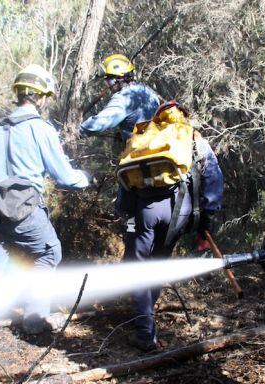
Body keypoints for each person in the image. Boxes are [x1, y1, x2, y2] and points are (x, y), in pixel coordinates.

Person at [0, 64, 92, 360]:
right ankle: (34, 319)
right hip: (22, 207)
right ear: (40, 97)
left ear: (19, 93)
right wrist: (86, 178)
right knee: (49, 253)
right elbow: (64, 176)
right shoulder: (40, 128)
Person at [120, 101, 223, 351]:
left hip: (144, 212)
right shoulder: (194, 139)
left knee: (139, 266)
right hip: (179, 212)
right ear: (184, 117)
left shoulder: (144, 137)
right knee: (158, 263)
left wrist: (124, 214)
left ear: (159, 117)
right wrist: (205, 222)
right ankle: (145, 318)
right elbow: (213, 180)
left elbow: (124, 180)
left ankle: (144, 331)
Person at [79, 53, 162, 142]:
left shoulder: (125, 97)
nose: (107, 84)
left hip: (142, 150)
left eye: (107, 80)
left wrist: (79, 131)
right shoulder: (147, 90)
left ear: (117, 79)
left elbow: (101, 122)